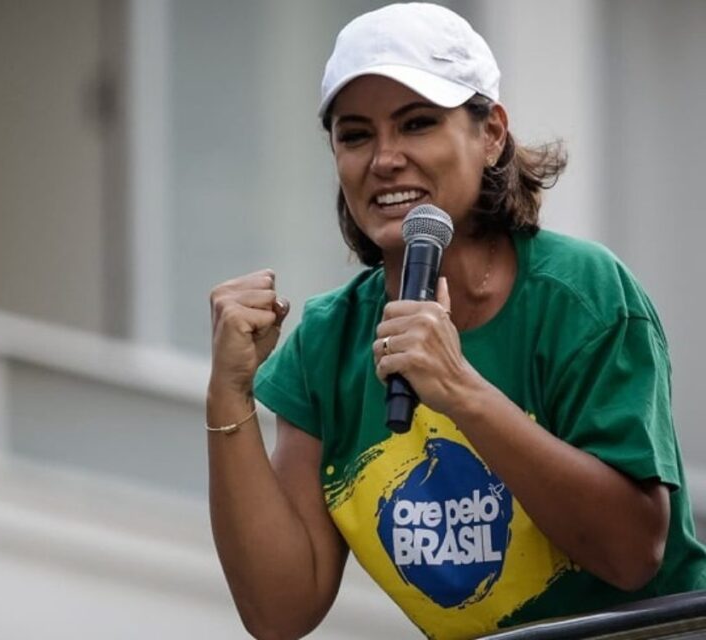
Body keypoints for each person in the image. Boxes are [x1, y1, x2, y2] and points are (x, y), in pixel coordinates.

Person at [205, 3, 706, 639]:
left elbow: (633, 553)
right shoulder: (325, 343)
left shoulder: (581, 294)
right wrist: (228, 393)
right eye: (355, 135)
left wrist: (459, 389)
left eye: (417, 123)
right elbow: (280, 612)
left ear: (491, 133)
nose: (385, 158)